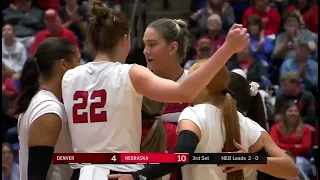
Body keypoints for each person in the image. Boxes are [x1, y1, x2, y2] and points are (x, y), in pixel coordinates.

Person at [62, 0, 249, 178]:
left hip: (80, 172)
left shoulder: (69, 77)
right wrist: (228, 48)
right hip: (120, 171)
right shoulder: (130, 73)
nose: (144, 50)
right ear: (124, 40)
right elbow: (185, 93)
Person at [108, 61, 298, 180]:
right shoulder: (250, 125)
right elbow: (291, 169)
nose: (186, 86)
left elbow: (182, 153)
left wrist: (138, 176)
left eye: (192, 80)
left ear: (204, 86)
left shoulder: (194, 113)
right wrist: (253, 161)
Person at [8, 37, 81, 180]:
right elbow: (36, 174)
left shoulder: (41, 102)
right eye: (78, 61)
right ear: (64, 65)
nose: (81, 68)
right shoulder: (49, 110)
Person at [270, 101, 313, 180]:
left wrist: (285, 148)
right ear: (284, 114)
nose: (293, 113)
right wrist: (295, 147)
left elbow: (306, 147)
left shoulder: (305, 129)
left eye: (295, 111)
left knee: (298, 163)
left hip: (301, 159)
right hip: (281, 158)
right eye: (290, 111)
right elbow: (273, 145)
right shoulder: (275, 128)